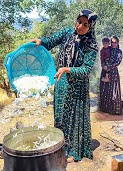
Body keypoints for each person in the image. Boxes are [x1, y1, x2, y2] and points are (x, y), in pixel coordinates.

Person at [32, 9, 98, 162]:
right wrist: (40, 42)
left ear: (91, 27)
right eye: (79, 21)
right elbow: (50, 41)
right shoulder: (68, 32)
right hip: (61, 82)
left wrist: (67, 69)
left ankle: (74, 150)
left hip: (78, 87)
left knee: (73, 119)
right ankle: (61, 146)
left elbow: (86, 69)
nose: (80, 26)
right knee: (61, 116)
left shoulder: (91, 44)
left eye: (85, 24)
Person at [99, 36, 123, 115]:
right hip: (105, 70)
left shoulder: (119, 52)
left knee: (113, 90)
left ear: (118, 43)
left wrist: (109, 67)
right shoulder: (107, 49)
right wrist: (104, 66)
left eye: (115, 42)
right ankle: (105, 109)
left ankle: (114, 110)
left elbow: (118, 62)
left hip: (113, 73)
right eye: (112, 42)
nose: (113, 44)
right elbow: (102, 58)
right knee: (105, 89)